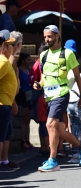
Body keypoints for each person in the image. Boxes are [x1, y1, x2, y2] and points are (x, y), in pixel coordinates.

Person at [33, 25, 81, 172]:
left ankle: (53, 160)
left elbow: (77, 76)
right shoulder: (43, 55)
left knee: (50, 124)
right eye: (45, 37)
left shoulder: (67, 54)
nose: (47, 39)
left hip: (62, 94)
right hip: (49, 96)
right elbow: (44, 77)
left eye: (50, 36)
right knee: (59, 129)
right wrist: (39, 85)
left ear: (57, 36)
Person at [0, 29, 18, 172]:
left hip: (6, 103)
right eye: (10, 45)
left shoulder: (5, 61)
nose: (12, 47)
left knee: (5, 135)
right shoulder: (3, 61)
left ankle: (3, 161)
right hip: (2, 104)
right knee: (1, 136)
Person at [15, 53, 35, 150]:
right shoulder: (18, 70)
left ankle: (27, 140)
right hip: (22, 96)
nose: (30, 61)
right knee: (23, 119)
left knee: (28, 120)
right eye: (28, 60)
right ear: (22, 60)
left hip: (29, 95)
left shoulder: (28, 70)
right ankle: (23, 141)